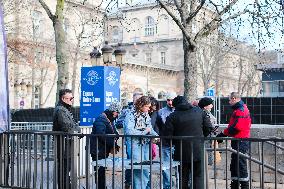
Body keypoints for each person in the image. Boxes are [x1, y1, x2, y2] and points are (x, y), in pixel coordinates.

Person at [163, 96, 213, 189]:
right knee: (198, 177)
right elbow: (209, 128)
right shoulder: (199, 111)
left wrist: (175, 142)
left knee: (183, 177)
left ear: (175, 106)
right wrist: (201, 137)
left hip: (181, 150)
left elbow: (167, 136)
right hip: (198, 149)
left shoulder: (172, 116)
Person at [217, 92, 251, 189]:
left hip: (241, 141)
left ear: (234, 99)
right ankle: (235, 185)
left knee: (240, 164)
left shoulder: (240, 110)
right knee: (235, 164)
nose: (229, 102)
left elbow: (236, 127)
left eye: (229, 100)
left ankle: (244, 186)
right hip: (239, 140)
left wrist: (223, 134)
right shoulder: (241, 108)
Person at [124, 96, 158, 189]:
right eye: (147, 106)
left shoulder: (146, 114)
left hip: (145, 145)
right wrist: (144, 132)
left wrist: (156, 136)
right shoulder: (130, 114)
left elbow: (149, 127)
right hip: (134, 144)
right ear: (141, 105)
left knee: (146, 169)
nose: (148, 108)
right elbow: (129, 131)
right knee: (137, 169)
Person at [52, 89, 81, 189]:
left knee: (65, 170)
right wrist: (78, 131)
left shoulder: (64, 109)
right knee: (63, 170)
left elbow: (72, 125)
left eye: (72, 98)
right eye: (71, 98)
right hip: (63, 146)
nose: (72, 100)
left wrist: (77, 130)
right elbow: (67, 127)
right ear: (63, 98)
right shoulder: (61, 110)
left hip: (66, 146)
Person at [90, 101, 122, 189]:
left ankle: (102, 186)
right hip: (97, 149)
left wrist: (116, 136)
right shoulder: (101, 119)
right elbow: (101, 134)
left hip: (102, 149)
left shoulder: (108, 119)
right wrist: (113, 144)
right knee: (100, 170)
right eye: (117, 112)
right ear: (112, 110)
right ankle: (101, 187)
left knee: (102, 170)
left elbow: (113, 132)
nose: (117, 115)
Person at [116, 92, 143, 189]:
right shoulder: (127, 111)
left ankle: (140, 183)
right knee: (131, 162)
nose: (139, 102)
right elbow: (118, 123)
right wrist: (129, 124)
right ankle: (128, 182)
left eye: (140, 100)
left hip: (143, 141)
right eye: (137, 100)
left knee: (142, 163)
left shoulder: (144, 110)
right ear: (133, 100)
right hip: (131, 141)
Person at [156, 92, 176, 189]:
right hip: (165, 144)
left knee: (179, 167)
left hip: (177, 143)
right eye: (168, 100)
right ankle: (168, 186)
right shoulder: (161, 112)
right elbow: (158, 128)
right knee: (165, 168)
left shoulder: (179, 111)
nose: (170, 102)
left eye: (172, 100)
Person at [198, 97, 219, 165]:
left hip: (208, 140)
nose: (212, 106)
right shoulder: (202, 114)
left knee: (206, 161)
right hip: (204, 140)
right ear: (205, 106)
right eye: (210, 104)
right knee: (203, 161)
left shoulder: (207, 113)